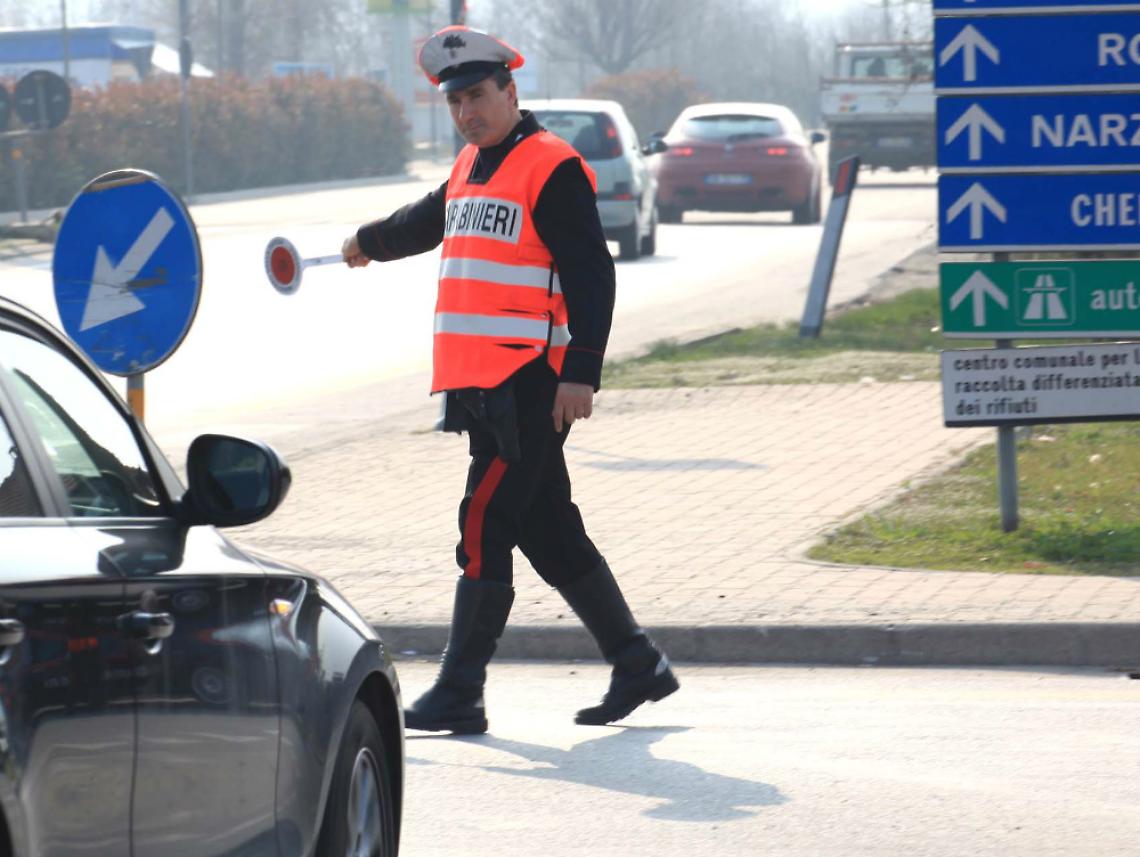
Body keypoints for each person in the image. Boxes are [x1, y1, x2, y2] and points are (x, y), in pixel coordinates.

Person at [341, 25, 678, 734]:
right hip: (481, 388)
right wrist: (366, 242)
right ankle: (637, 661)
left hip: (530, 380)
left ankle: (460, 689)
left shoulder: (549, 164)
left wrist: (581, 370)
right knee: (549, 530)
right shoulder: (470, 165)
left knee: (485, 519)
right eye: (456, 100)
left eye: (478, 95)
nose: (468, 110)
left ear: (510, 91)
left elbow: (592, 272)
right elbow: (423, 222)